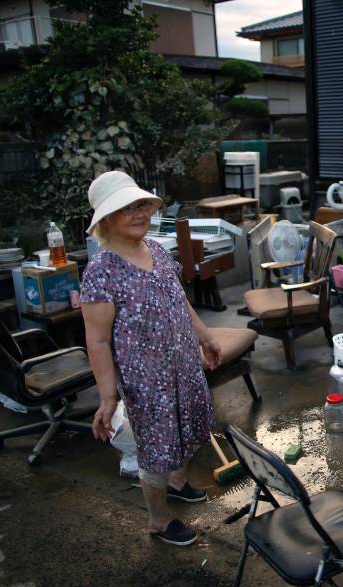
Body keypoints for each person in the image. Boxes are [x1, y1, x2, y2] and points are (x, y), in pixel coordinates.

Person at [80, 170, 221, 547]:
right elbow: (97, 341)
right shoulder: (101, 271)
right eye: (128, 208)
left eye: (142, 204)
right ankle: (159, 520)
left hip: (185, 367)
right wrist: (108, 398)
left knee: (191, 427)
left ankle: (178, 482)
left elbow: (179, 301)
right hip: (147, 385)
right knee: (157, 449)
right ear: (106, 219)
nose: (140, 213)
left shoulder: (157, 249)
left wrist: (205, 335)